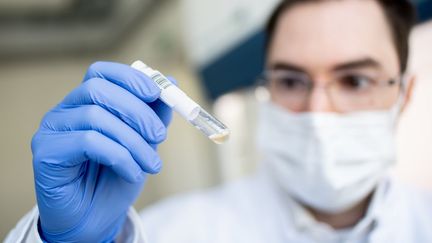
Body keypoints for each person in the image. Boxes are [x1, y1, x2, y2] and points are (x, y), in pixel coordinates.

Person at [5, 0, 432, 242]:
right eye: (290, 80)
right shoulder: (170, 232)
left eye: (355, 80)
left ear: (404, 94)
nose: (319, 110)